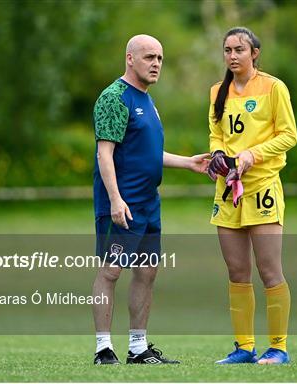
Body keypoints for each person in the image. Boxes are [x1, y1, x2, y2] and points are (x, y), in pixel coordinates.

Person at [92, 34, 208, 365]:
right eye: (148, 57)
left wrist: (188, 162)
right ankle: (103, 349)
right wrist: (115, 199)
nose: (156, 63)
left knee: (147, 273)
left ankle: (138, 349)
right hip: (121, 204)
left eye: (159, 58)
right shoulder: (115, 98)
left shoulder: (148, 100)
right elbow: (105, 154)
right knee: (110, 272)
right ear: (130, 58)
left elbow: (148, 153)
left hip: (148, 203)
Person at [207, 27, 297, 365]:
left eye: (239, 50)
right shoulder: (218, 91)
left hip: (261, 187)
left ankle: (279, 348)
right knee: (236, 271)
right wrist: (217, 154)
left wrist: (252, 156)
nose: (232, 56)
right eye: (227, 50)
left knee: (270, 269)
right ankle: (244, 348)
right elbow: (216, 131)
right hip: (228, 189)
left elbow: (289, 135)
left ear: (254, 53)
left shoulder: (274, 87)